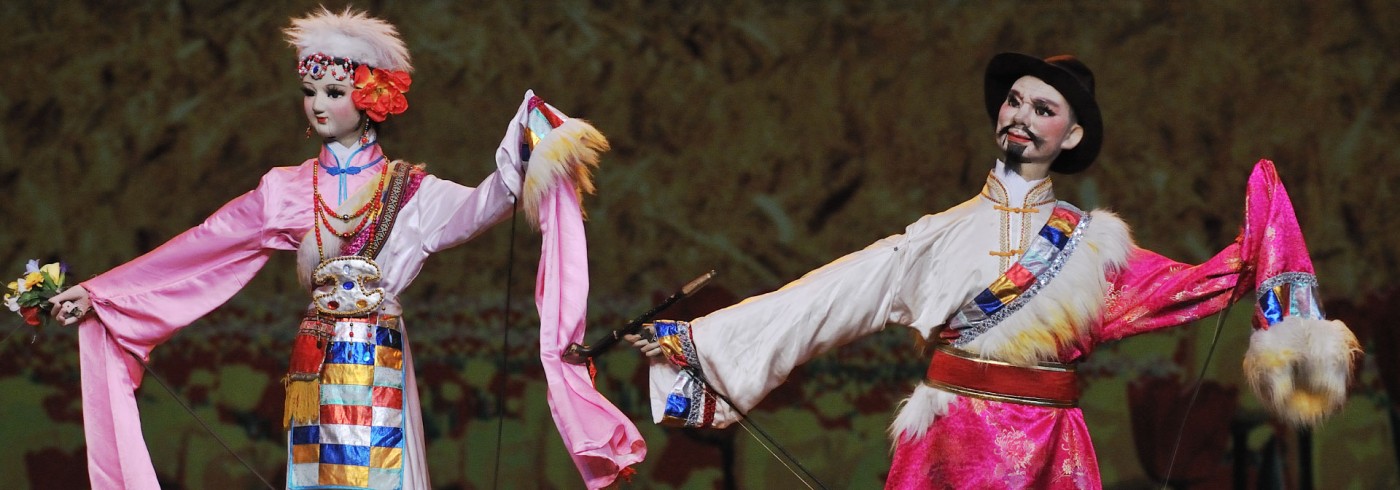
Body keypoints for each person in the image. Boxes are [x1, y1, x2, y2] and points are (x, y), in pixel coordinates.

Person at [624, 53, 1360, 488]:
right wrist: (698, 344)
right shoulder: (936, 236)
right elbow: (825, 297)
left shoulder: (1095, 246)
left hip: (1051, 447)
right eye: (1014, 101)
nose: (1021, 115)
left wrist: (1266, 237)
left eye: (1043, 108)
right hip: (949, 442)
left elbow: (1195, 286)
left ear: (1070, 134)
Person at [44, 8, 636, 489]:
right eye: (311, 91)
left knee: (383, 473)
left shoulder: (409, 191)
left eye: (334, 90)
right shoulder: (286, 189)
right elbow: (203, 248)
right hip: (316, 363)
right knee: (316, 474)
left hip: (379, 356)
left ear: (370, 96)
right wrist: (102, 293)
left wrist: (528, 149)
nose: (319, 103)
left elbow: (482, 205)